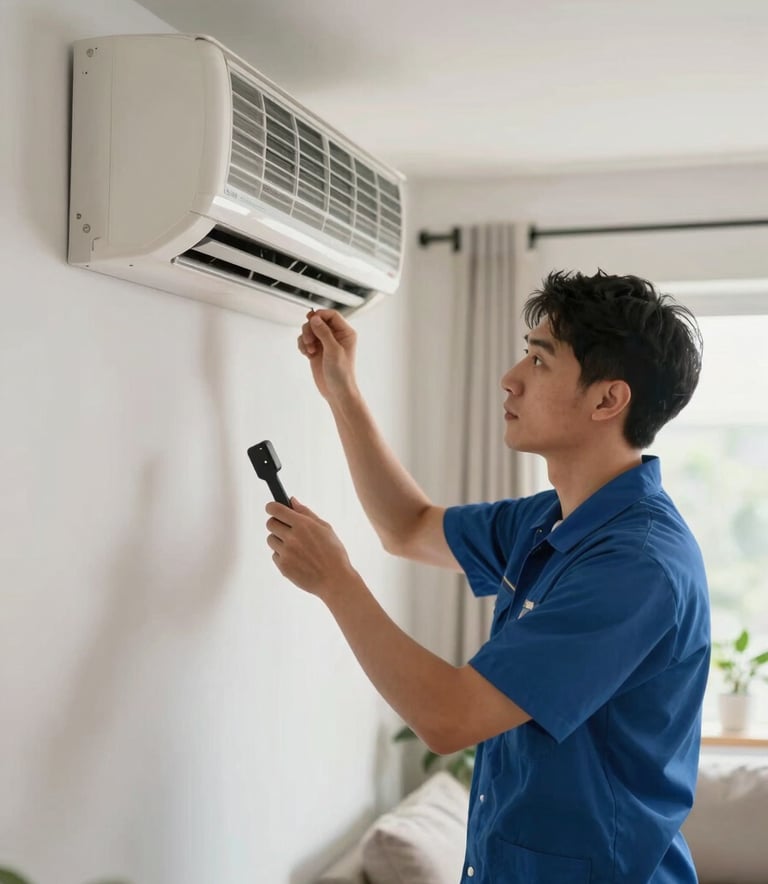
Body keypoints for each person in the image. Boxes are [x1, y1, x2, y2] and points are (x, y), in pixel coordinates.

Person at [265, 269, 710, 884]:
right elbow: (409, 526)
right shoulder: (551, 519)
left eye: (539, 360)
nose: (511, 378)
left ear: (608, 400)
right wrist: (343, 391)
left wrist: (336, 582)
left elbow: (449, 718)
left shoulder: (636, 565)